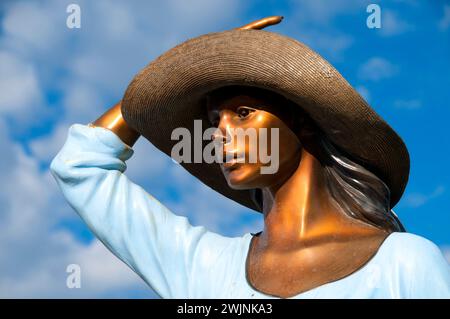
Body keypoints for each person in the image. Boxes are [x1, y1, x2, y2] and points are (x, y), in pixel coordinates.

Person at [50, 17, 450, 298]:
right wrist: (180, 67)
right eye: (213, 121)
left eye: (243, 113)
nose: (220, 134)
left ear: (305, 123)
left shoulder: (404, 263)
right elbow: (80, 166)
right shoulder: (204, 267)